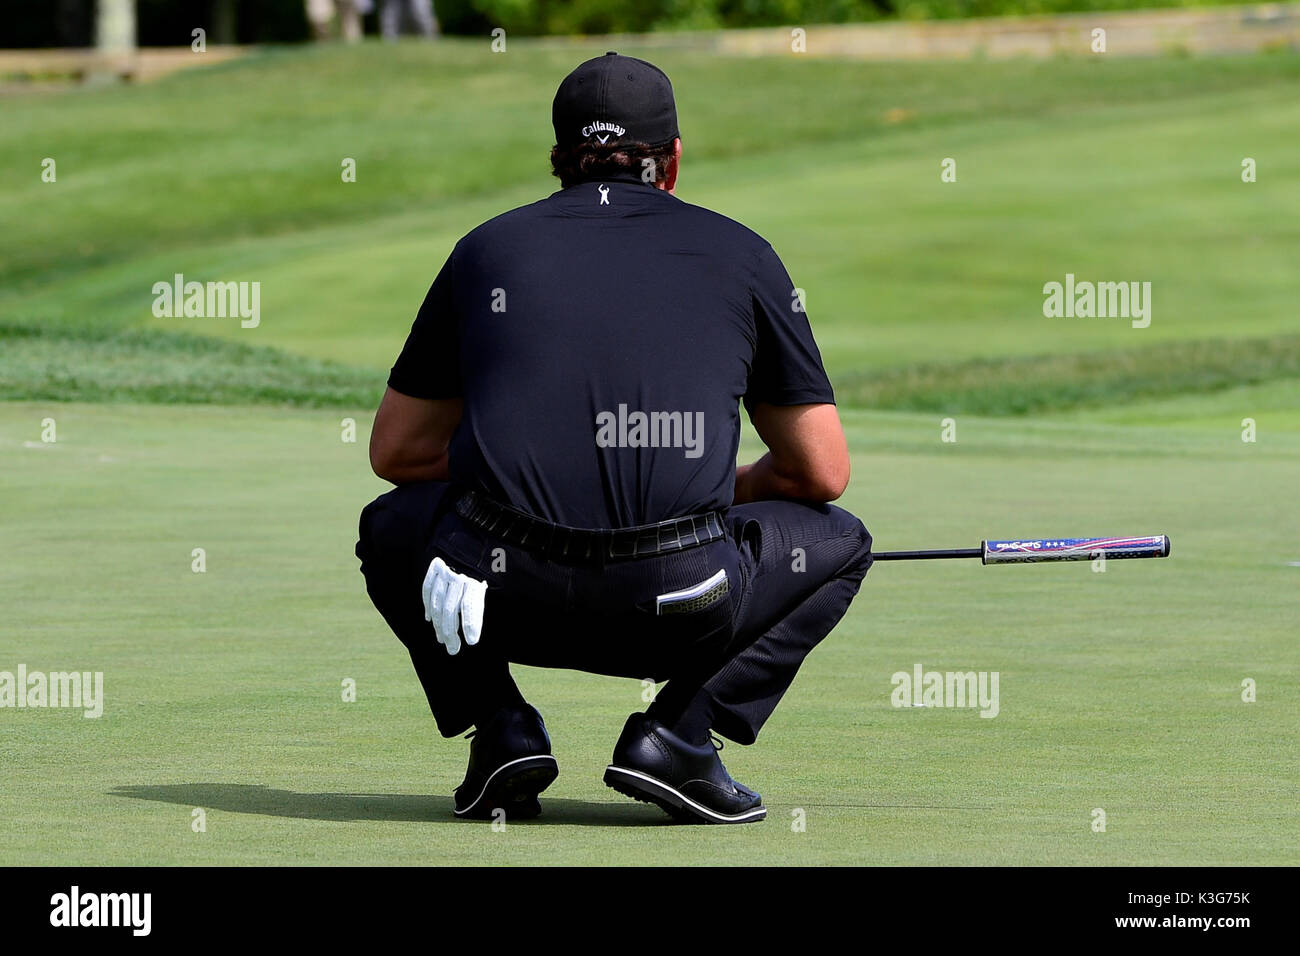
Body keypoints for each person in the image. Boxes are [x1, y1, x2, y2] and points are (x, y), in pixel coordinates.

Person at [356, 52, 872, 825]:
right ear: (672, 163)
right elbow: (822, 474)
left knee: (390, 527)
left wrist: (504, 468)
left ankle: (500, 730)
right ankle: (679, 738)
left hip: (499, 594)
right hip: (680, 602)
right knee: (841, 543)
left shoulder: (485, 251)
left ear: (559, 159)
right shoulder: (743, 254)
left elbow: (394, 456)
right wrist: (702, 479)